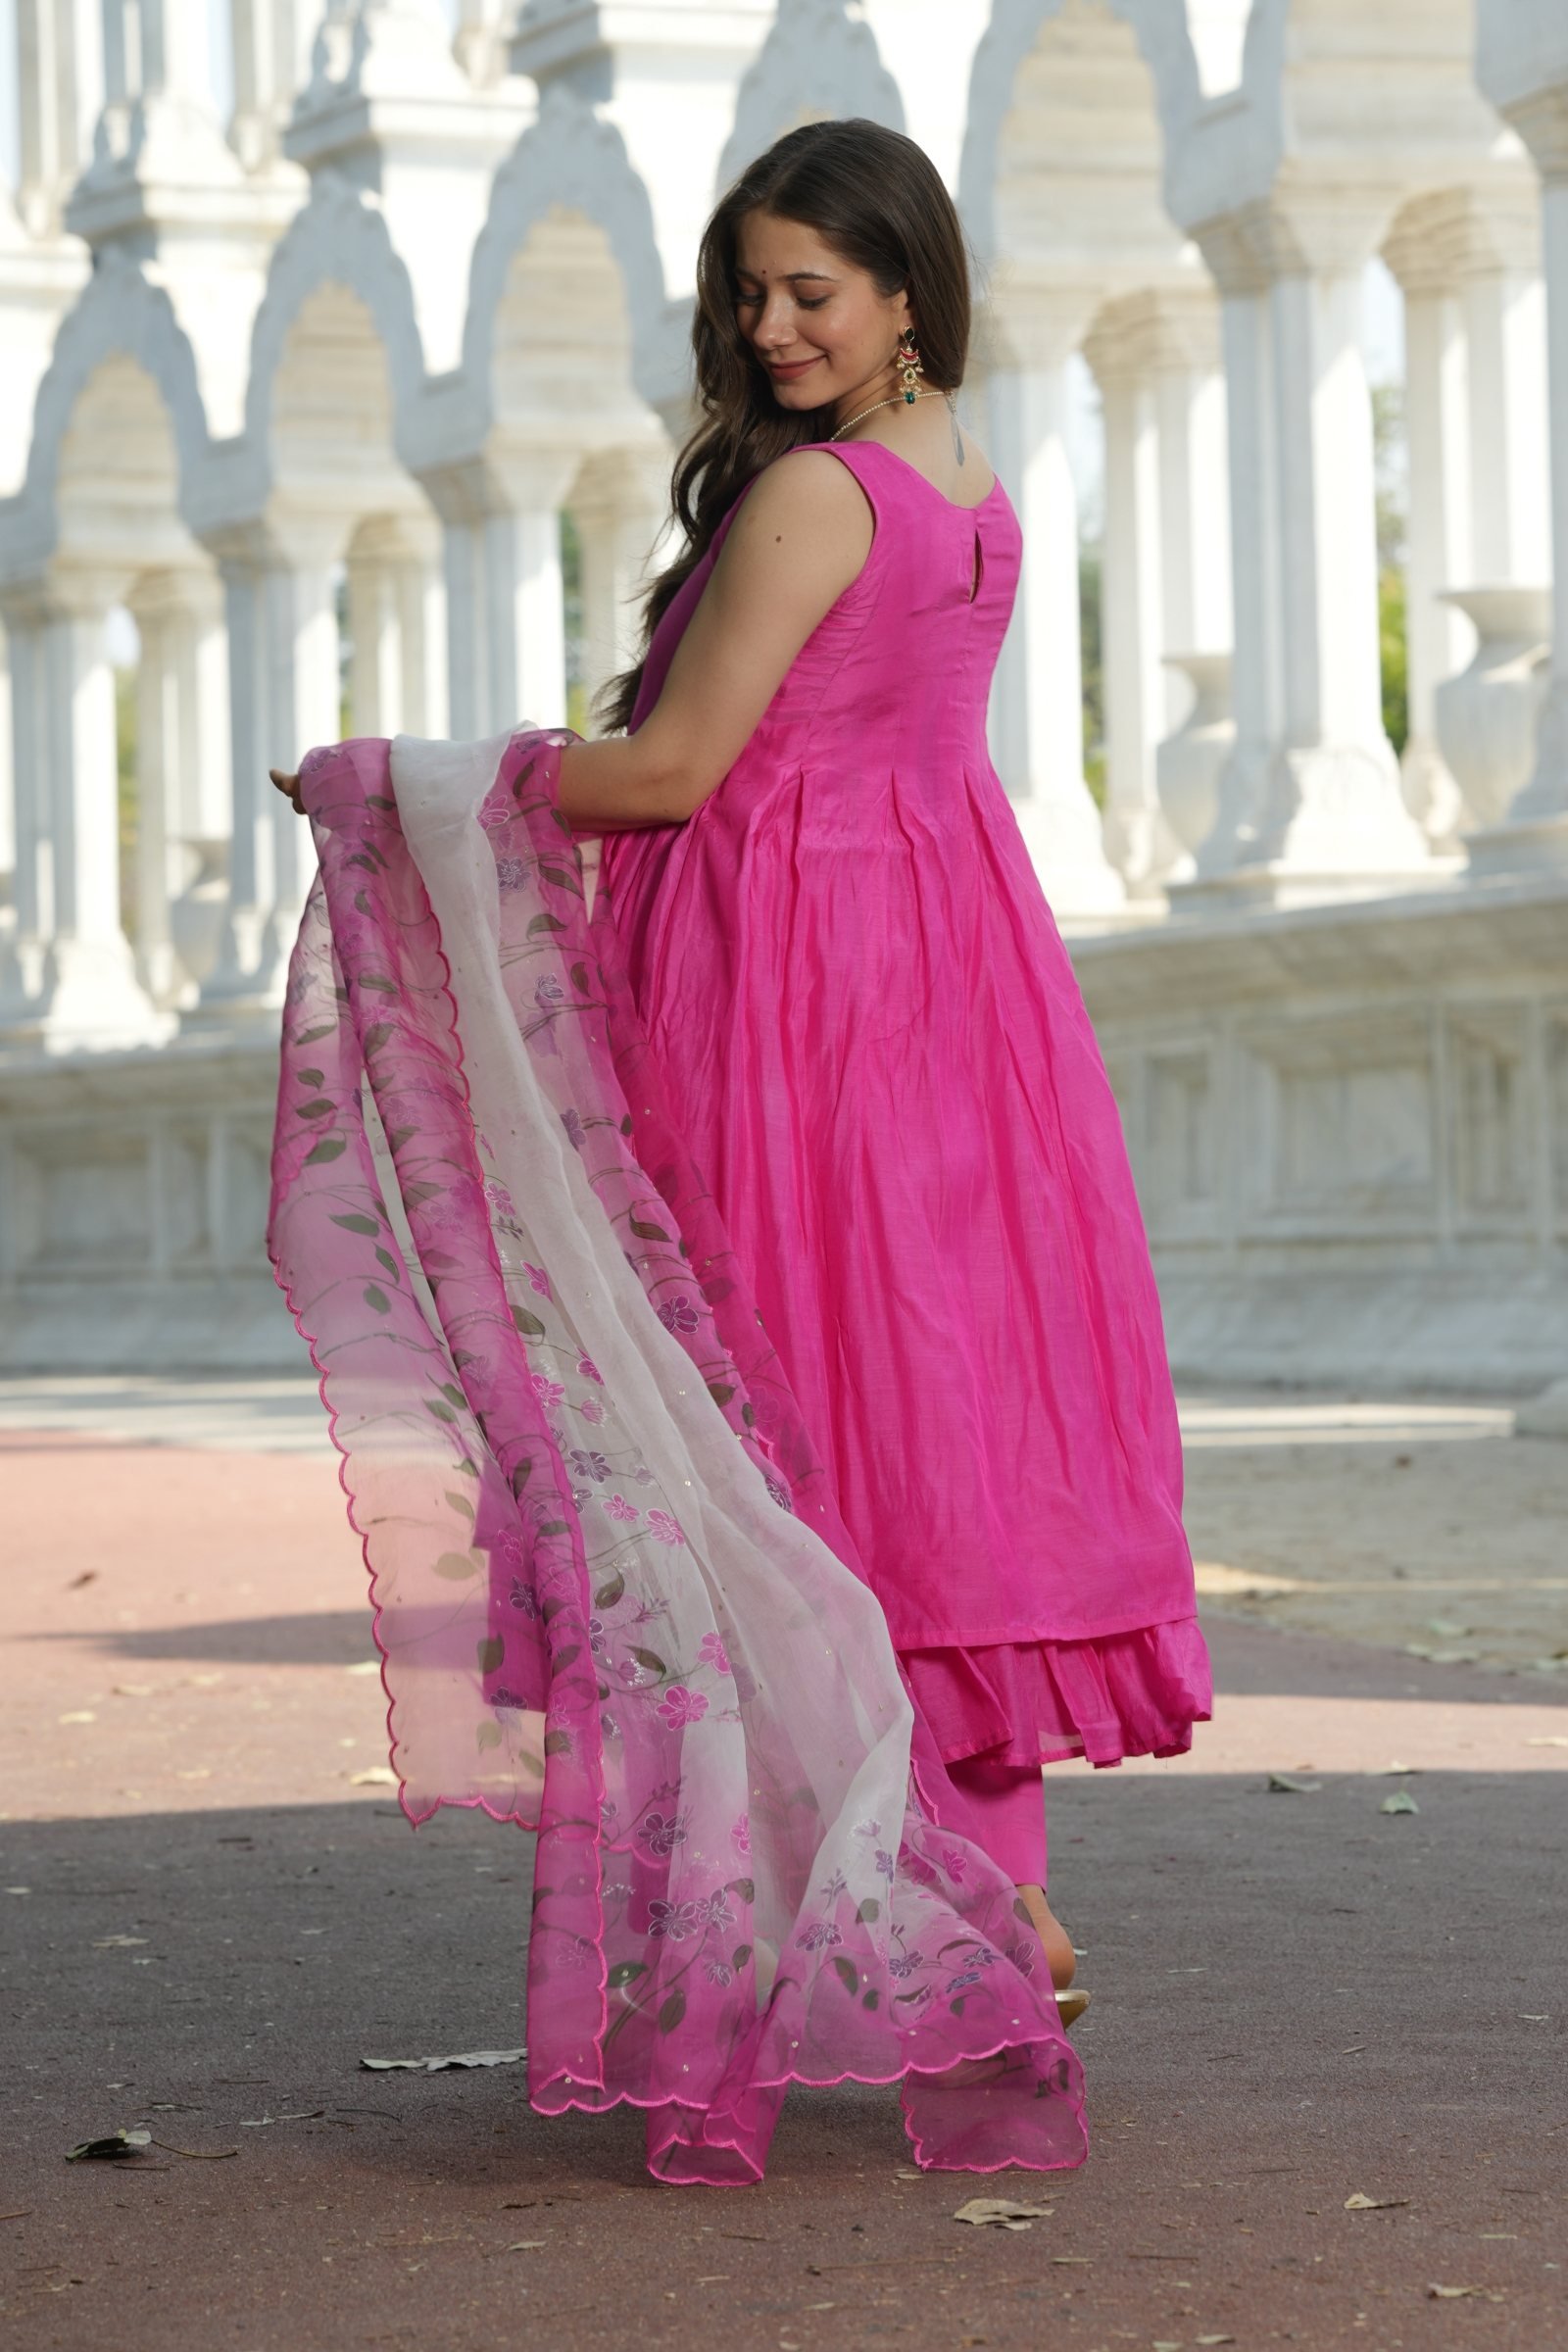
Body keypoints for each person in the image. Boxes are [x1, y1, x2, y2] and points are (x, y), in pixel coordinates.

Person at [274, 117, 1210, 2022]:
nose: (773, 327)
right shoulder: (966, 484)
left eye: (812, 291)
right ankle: (988, 1884)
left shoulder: (814, 498)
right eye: (749, 293)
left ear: (906, 291)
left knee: (758, 1410)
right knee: (920, 1414)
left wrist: (389, 782)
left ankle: (894, 1885)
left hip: (787, 997)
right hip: (948, 981)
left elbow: (672, 773)